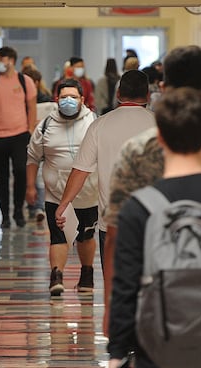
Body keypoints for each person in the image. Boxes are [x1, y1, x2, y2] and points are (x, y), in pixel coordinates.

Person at [102, 45, 201, 343]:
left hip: (154, 299)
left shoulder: (137, 152)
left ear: (163, 89)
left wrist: (113, 306)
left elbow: (115, 236)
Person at [54, 69, 155, 272]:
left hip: (111, 222)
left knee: (114, 282)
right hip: (151, 220)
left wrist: (64, 203)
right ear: (148, 95)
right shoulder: (161, 125)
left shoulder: (99, 125)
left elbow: (80, 171)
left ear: (118, 94)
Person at [26, 78, 99, 296]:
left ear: (82, 99)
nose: (68, 101)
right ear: (56, 99)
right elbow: (32, 157)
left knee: (85, 236)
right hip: (55, 194)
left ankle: (87, 276)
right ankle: (56, 277)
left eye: (73, 97)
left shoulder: (93, 122)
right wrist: (30, 186)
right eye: (64, 97)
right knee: (58, 236)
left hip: (87, 194)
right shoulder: (46, 125)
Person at [0, 46, 38, 229]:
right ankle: (5, 215)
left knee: (21, 171)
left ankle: (18, 211)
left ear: (11, 60)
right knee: (0, 177)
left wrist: (30, 130)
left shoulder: (25, 81)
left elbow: (32, 107)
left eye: (0, 58)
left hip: (20, 135)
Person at [24, 67, 55, 223]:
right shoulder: (20, 100)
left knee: (39, 174)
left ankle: (38, 207)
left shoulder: (45, 99)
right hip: (25, 138)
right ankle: (33, 205)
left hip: (42, 139)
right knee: (29, 172)